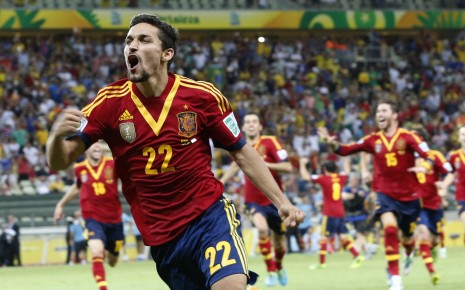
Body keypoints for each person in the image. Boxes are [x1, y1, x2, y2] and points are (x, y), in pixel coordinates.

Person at [46, 14, 304, 290]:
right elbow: (61, 161)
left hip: (208, 215)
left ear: (167, 53)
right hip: (161, 236)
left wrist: (281, 202)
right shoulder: (108, 103)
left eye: (144, 40)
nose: (132, 46)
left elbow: (241, 151)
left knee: (229, 286)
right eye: (128, 40)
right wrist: (54, 138)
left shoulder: (202, 96)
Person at [317, 98, 449, 290]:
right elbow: (346, 150)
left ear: (394, 116)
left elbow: (428, 154)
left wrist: (426, 166)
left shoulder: (409, 137)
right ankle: (395, 278)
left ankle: (408, 253)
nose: (380, 114)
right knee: (389, 229)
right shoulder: (373, 140)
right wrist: (332, 143)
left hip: (411, 197)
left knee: (406, 239)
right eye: (378, 111)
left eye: (384, 110)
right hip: (385, 194)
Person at [220, 112, 292, 286]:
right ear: (243, 127)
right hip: (253, 201)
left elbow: (288, 167)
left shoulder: (270, 142)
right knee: (262, 229)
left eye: (254, 121)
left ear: (260, 126)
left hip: (275, 202)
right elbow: (236, 164)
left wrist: (261, 163)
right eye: (247, 122)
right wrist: (221, 182)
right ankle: (271, 272)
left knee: (280, 244)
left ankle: (279, 266)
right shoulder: (240, 146)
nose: (251, 124)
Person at [54, 141, 125, 290]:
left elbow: (126, 181)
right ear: (85, 150)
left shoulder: (112, 164)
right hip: (92, 218)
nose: (97, 146)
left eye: (99, 143)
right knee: (96, 250)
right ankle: (103, 287)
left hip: (115, 219)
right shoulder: (80, 168)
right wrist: (60, 205)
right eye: (93, 143)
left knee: (113, 260)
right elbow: (76, 188)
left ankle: (108, 251)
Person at [299, 158, 365, 269]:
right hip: (340, 211)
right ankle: (358, 256)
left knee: (323, 237)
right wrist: (346, 160)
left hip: (329, 212)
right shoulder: (341, 177)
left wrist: (302, 164)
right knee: (343, 236)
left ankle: (322, 263)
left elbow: (306, 177)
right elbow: (347, 172)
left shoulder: (324, 179)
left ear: (325, 169)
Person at [414, 146, 453, 285]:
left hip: (434, 205)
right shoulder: (406, 158)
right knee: (423, 234)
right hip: (418, 206)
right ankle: (432, 272)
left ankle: (433, 248)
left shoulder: (435, 156)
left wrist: (443, 186)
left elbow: (450, 172)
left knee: (435, 239)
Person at [444, 126, 465, 249]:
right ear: (459, 138)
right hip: (462, 195)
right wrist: (443, 186)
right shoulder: (454, 156)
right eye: (462, 134)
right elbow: (450, 174)